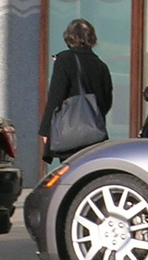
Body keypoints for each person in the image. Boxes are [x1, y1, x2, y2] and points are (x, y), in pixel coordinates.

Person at [39, 18, 114, 162]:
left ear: (69, 37)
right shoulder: (101, 65)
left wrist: (46, 129)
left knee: (69, 171)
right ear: (91, 38)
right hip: (93, 131)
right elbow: (107, 100)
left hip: (70, 131)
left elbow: (55, 96)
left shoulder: (65, 60)